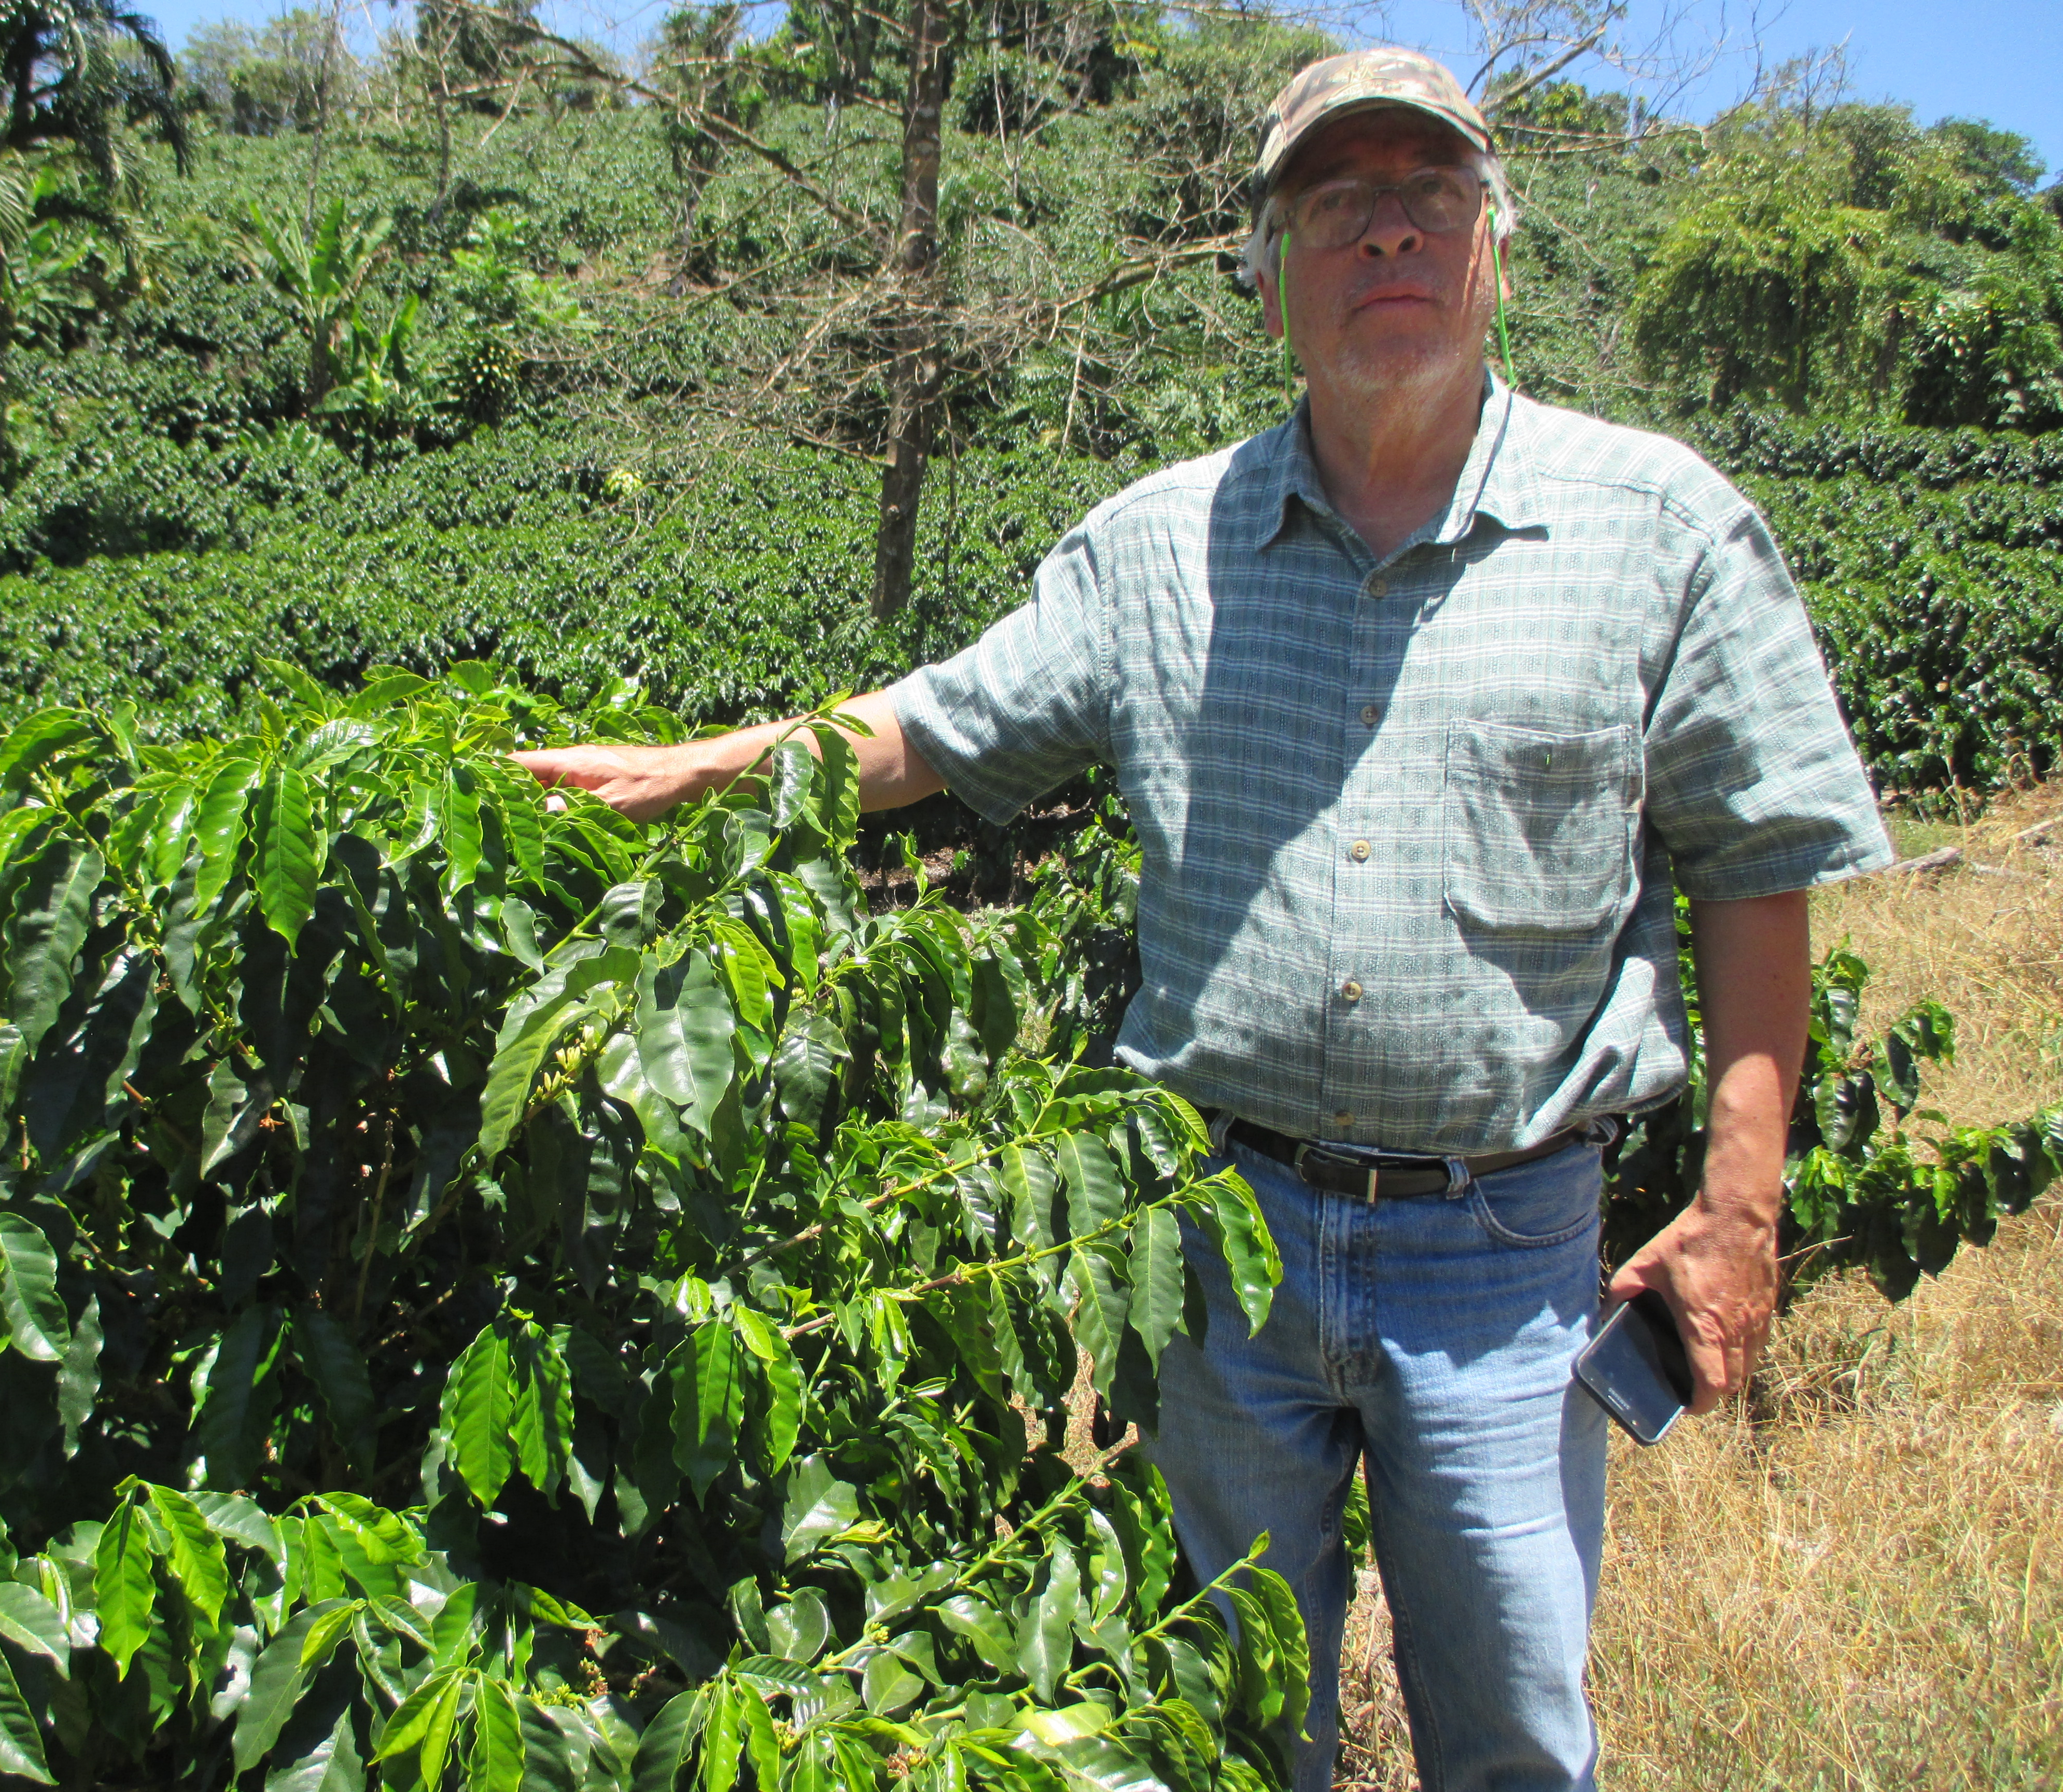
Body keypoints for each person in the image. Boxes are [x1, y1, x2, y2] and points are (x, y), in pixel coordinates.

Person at [519, 47, 1891, 1791]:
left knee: (1519, 1732)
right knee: (1235, 1727)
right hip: (1218, 1235)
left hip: (1503, 1253)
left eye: (1429, 200)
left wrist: (1739, 1204)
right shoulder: (1163, 546)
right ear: (1263, 280)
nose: (1388, 235)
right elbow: (933, 732)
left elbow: (1751, 859)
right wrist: (689, 773)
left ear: (1497, 251)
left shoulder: (1660, 529)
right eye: (1336, 209)